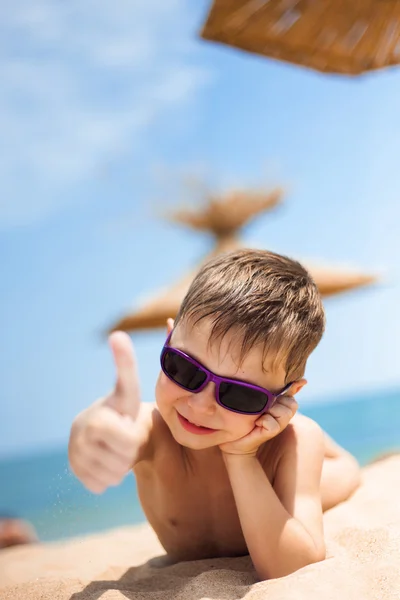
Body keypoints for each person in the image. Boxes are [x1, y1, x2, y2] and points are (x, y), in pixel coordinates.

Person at [68, 249, 361, 580]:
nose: (201, 405)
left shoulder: (292, 444)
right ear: (168, 339)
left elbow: (293, 567)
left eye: (240, 394)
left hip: (298, 456)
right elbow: (107, 428)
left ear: (286, 395)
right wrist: (90, 433)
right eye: (185, 369)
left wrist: (242, 456)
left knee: (344, 469)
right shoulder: (153, 430)